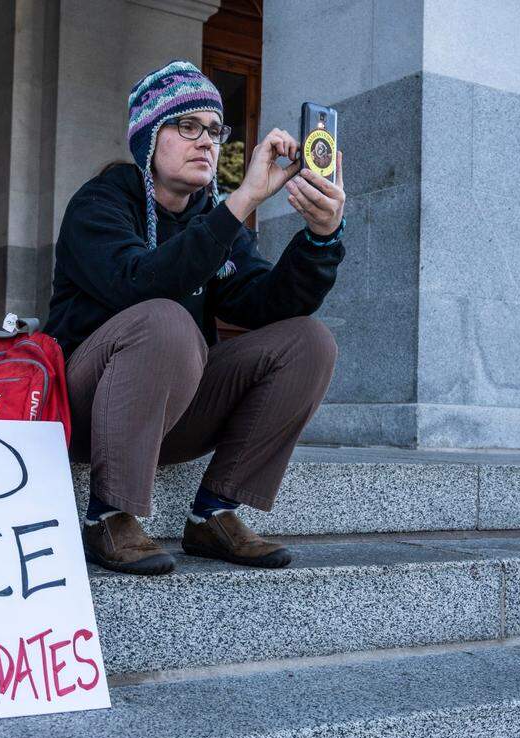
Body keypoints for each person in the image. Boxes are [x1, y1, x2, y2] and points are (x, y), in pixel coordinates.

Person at [45, 60, 346, 576]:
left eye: (214, 130)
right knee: (163, 318)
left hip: (174, 413)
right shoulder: (101, 202)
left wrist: (322, 239)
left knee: (308, 342)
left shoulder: (212, 216)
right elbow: (139, 282)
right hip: (86, 411)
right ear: (147, 138)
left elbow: (266, 302)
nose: (206, 141)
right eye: (187, 127)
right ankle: (108, 515)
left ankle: (213, 513)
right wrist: (244, 199)